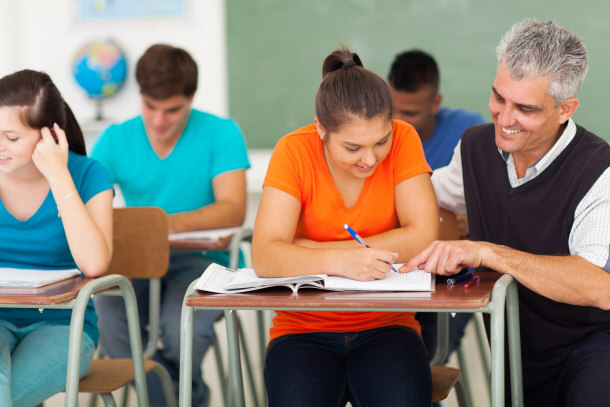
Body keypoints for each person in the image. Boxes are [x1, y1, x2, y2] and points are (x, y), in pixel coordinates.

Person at [403, 20, 610, 407]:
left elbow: (598, 286)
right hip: (517, 350)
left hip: (593, 352)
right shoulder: (474, 148)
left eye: (525, 108)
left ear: (565, 109)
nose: (505, 117)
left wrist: (488, 253)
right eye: (499, 97)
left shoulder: (600, 170)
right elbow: (428, 199)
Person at [252, 45, 438, 407]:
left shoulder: (404, 139)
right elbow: (265, 255)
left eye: (380, 141)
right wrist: (343, 261)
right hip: (302, 329)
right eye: (352, 148)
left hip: (387, 324)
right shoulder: (293, 151)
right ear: (321, 128)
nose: (370, 159)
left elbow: (423, 235)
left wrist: (309, 250)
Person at [91, 44, 250, 406]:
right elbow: (87, 207)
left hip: (201, 261)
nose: (159, 120)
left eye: (173, 109)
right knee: (109, 319)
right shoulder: (116, 138)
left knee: (183, 332)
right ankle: (185, 399)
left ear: (191, 98)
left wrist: (156, 225)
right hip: (137, 262)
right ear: (140, 96)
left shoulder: (221, 132)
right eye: (150, 107)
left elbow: (232, 210)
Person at [0, 70, 113, 406]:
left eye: (11, 137)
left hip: (65, 328)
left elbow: (94, 262)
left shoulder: (89, 173)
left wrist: (59, 174)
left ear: (49, 136)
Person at [388, 49, 486, 365]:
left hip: (455, 281)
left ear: (435, 102)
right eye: (394, 110)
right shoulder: (373, 137)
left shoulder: (469, 133)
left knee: (423, 358)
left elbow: (495, 199)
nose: (400, 122)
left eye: (412, 113)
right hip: (396, 275)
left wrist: (472, 221)